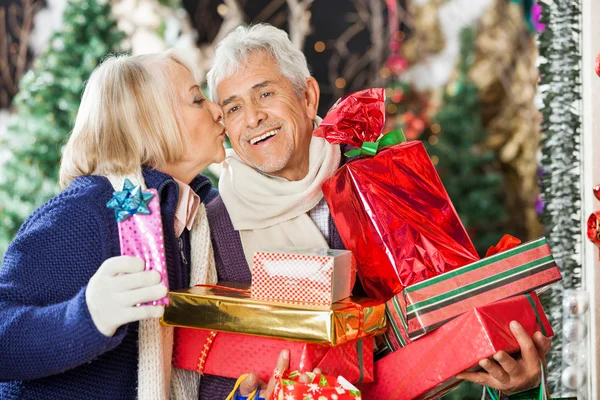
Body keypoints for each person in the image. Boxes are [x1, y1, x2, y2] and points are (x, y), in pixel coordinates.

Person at [202, 24, 552, 399]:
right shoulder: (215, 227)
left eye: (265, 93)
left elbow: (455, 321)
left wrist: (516, 384)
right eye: (234, 107)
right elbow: (204, 371)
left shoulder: (384, 179)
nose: (252, 118)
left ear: (307, 97)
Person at [0, 50, 227, 399]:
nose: (217, 110)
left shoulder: (191, 218)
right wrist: (87, 316)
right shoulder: (84, 212)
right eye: (197, 99)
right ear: (147, 121)